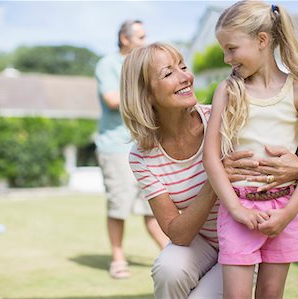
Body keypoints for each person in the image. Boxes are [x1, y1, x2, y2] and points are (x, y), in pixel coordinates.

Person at [120, 42, 298, 298]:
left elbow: (275, 155)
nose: (185, 77)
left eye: (183, 66)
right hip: (202, 241)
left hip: (245, 239)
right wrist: (217, 176)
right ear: (145, 95)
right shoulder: (142, 157)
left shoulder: (224, 117)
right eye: (168, 73)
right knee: (168, 269)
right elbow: (179, 234)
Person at [203, 1, 298, 298]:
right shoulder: (228, 90)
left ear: (261, 40)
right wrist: (236, 209)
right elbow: (211, 157)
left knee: (271, 294)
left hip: (285, 210)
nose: (226, 57)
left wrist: (288, 214)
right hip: (239, 211)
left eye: (232, 48)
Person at [94, 19, 168, 279]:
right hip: (115, 147)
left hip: (145, 143)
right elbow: (112, 99)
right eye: (140, 37)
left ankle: (172, 255)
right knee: (119, 206)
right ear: (125, 39)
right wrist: (148, 92)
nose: (144, 42)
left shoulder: (142, 65)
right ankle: (117, 259)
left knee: (153, 205)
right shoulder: (108, 64)